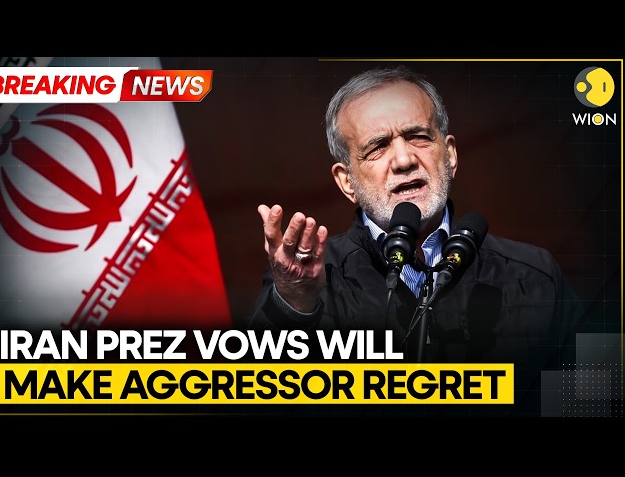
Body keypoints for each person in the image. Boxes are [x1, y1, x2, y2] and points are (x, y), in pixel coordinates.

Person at [247, 66, 583, 416]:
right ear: (347, 182)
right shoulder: (308, 282)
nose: (405, 160)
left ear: (450, 155)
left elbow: (592, 398)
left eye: (418, 137)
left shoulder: (534, 275)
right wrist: (292, 306)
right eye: (377, 147)